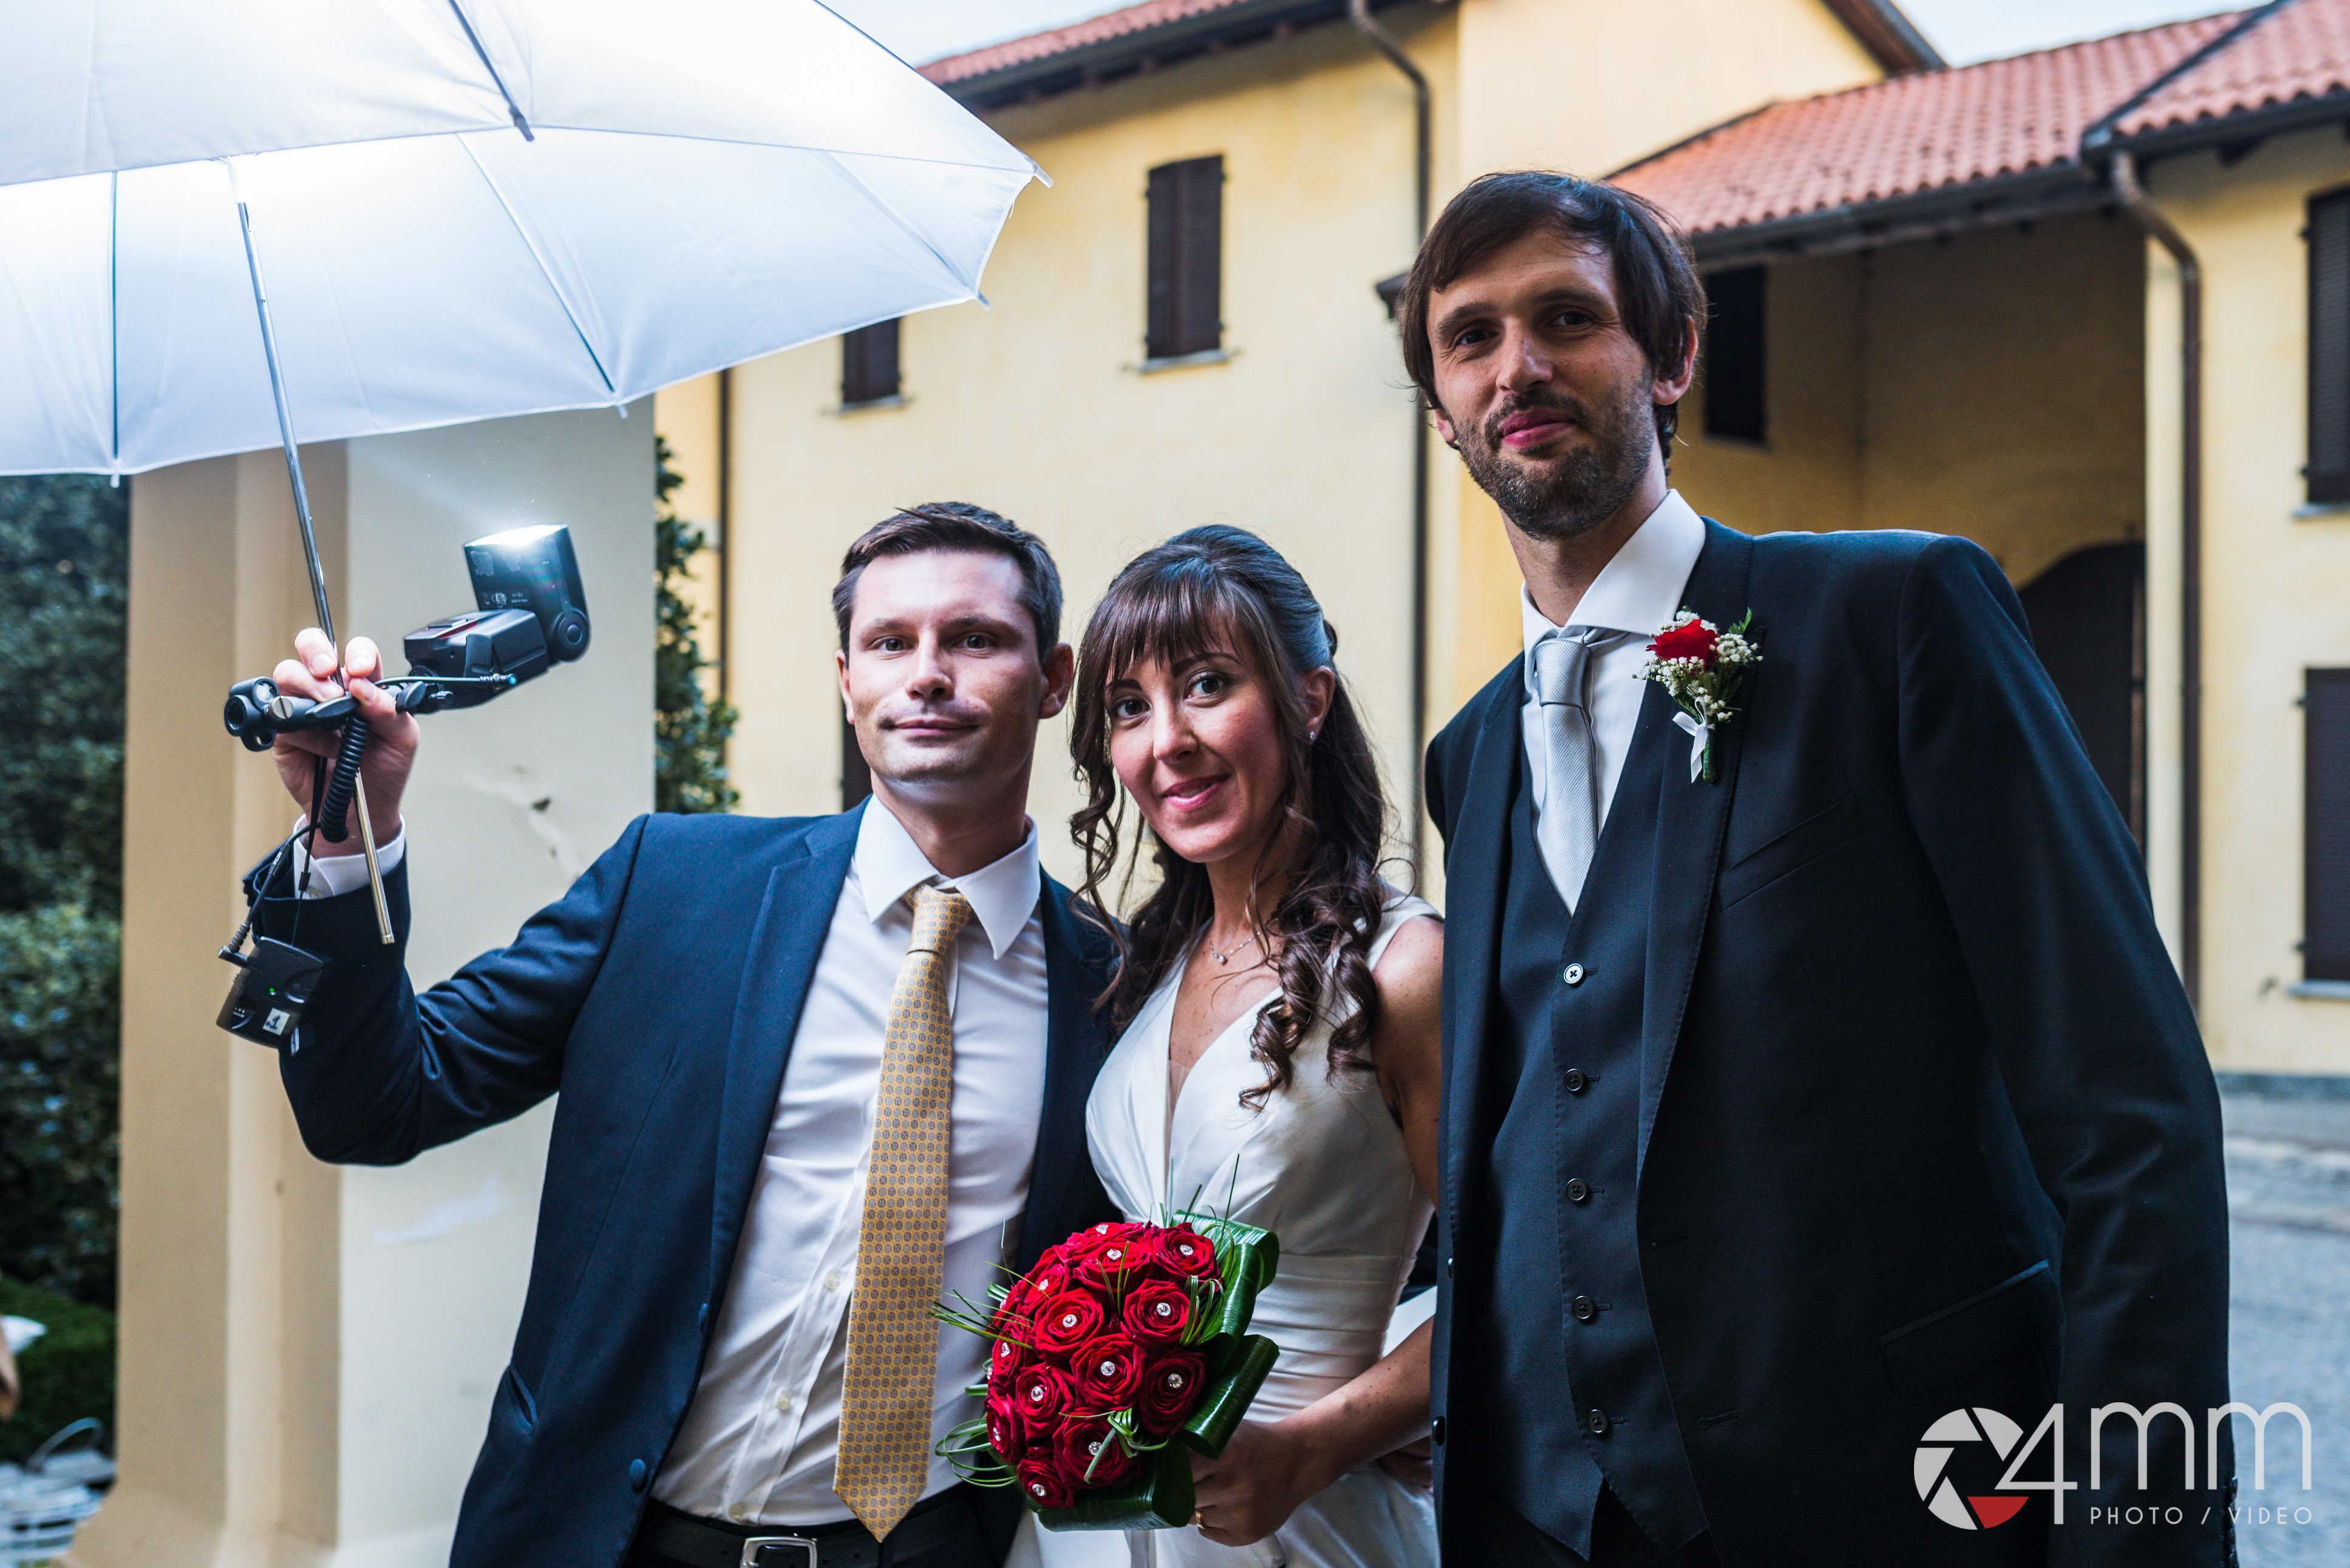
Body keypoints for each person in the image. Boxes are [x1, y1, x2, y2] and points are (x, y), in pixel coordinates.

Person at [1399, 172, 2232, 1565]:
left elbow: (2130, 1117)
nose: (1517, 365)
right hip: (1548, 1523)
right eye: (1470, 337)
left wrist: (2139, 1535)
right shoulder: (1469, 756)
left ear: (1672, 356)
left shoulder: (1895, 615)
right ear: (1440, 408)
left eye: (1567, 318)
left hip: (1895, 1506)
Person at [251, 503, 1120, 1568]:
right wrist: (349, 836)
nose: (927, 675)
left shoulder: (1113, 992)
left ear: (1054, 678)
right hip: (609, 1545)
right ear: (846, 677)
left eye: (975, 639)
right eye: (890, 642)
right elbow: (376, 1106)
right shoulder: (671, 884)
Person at [1020, 525, 1443, 1568]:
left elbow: (1522, 1277)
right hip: (1101, 1529)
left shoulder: (1406, 967)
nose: (1166, 740)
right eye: (1129, 707)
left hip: (1304, 1515)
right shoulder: (1146, 964)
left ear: (1309, 699)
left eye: (1207, 685)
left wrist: (1319, 1444)